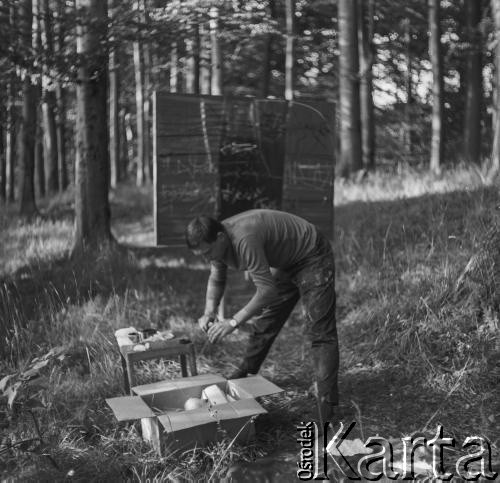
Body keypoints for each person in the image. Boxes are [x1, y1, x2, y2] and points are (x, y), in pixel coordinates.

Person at [185, 209, 338, 423]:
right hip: (288, 261)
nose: (206, 258)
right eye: (201, 255)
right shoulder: (217, 244)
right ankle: (244, 375)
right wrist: (209, 311)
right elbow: (217, 277)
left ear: (220, 238)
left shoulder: (244, 239)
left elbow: (266, 292)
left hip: (312, 253)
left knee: (320, 331)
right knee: (267, 321)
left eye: (207, 253)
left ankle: (326, 405)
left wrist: (233, 321)